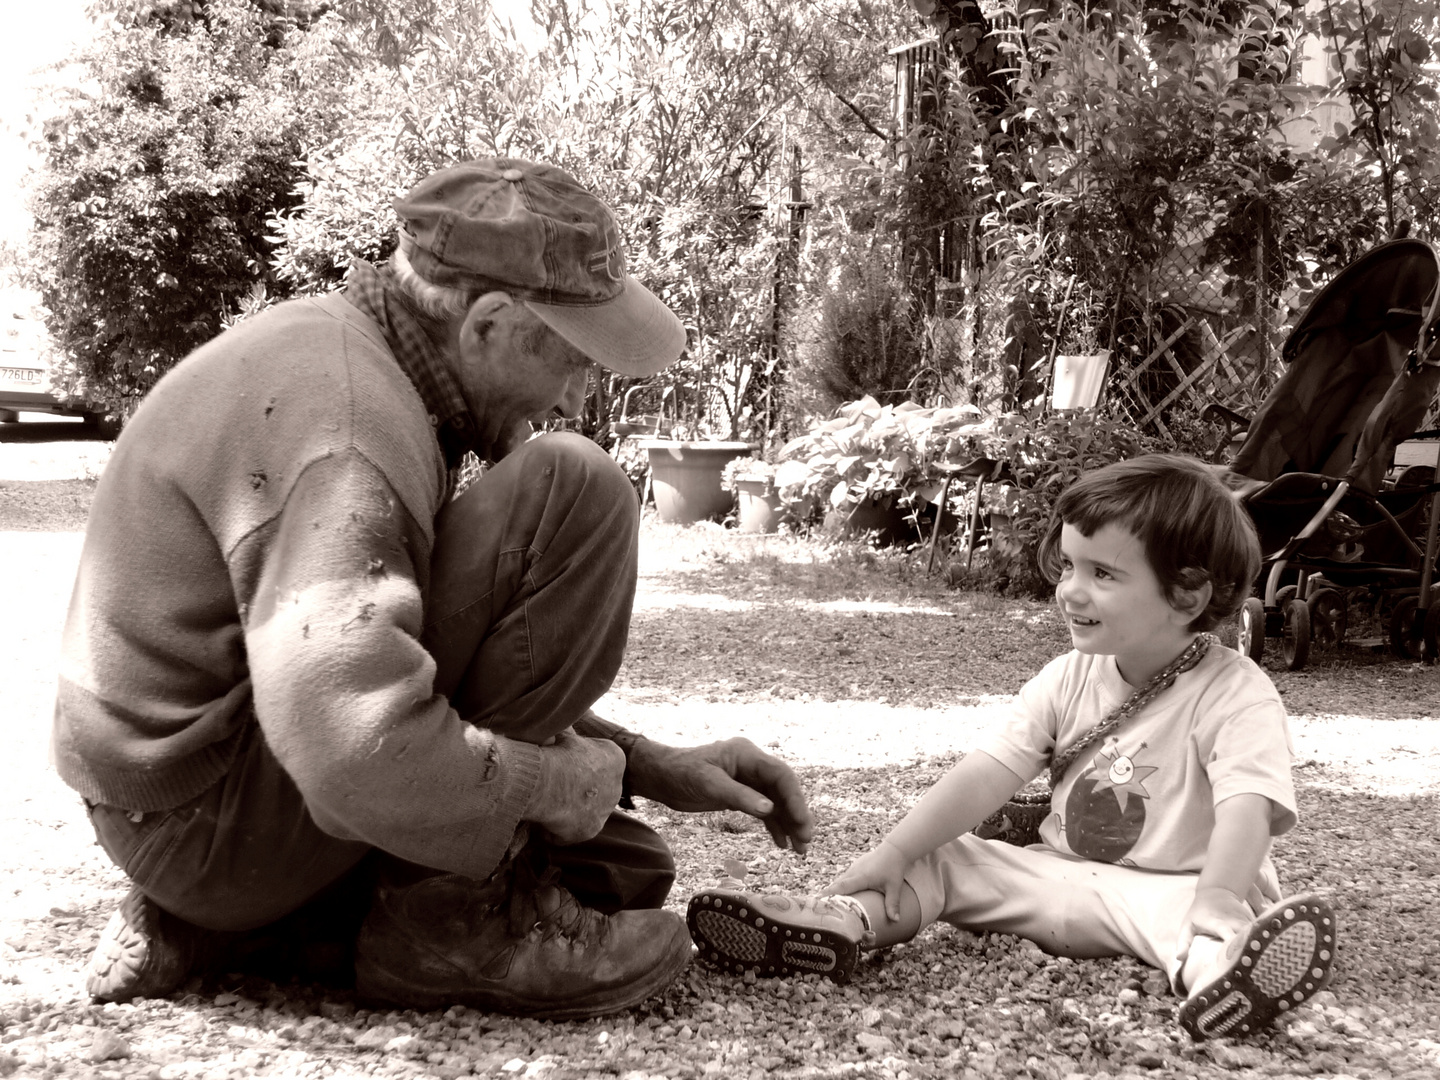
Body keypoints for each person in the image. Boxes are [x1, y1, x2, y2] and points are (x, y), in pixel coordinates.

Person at [54, 158, 814, 1020]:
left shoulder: (357, 357)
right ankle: (444, 933)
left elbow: (389, 652)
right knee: (576, 486)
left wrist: (650, 765)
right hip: (205, 824)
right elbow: (353, 743)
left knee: (622, 867)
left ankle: (240, 929)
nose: (579, 394)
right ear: (489, 322)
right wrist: (547, 785)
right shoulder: (352, 430)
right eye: (577, 360)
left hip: (188, 807)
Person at [687, 454, 1338, 1041]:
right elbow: (984, 775)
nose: (1069, 590)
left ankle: (1223, 976)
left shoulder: (1235, 692)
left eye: (1102, 573)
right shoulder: (1068, 679)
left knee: (1202, 927)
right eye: (1069, 567)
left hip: (1176, 890)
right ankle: (841, 924)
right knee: (946, 861)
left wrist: (1221, 895)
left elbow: (1247, 804)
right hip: (1060, 878)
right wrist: (896, 850)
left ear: (1187, 594)